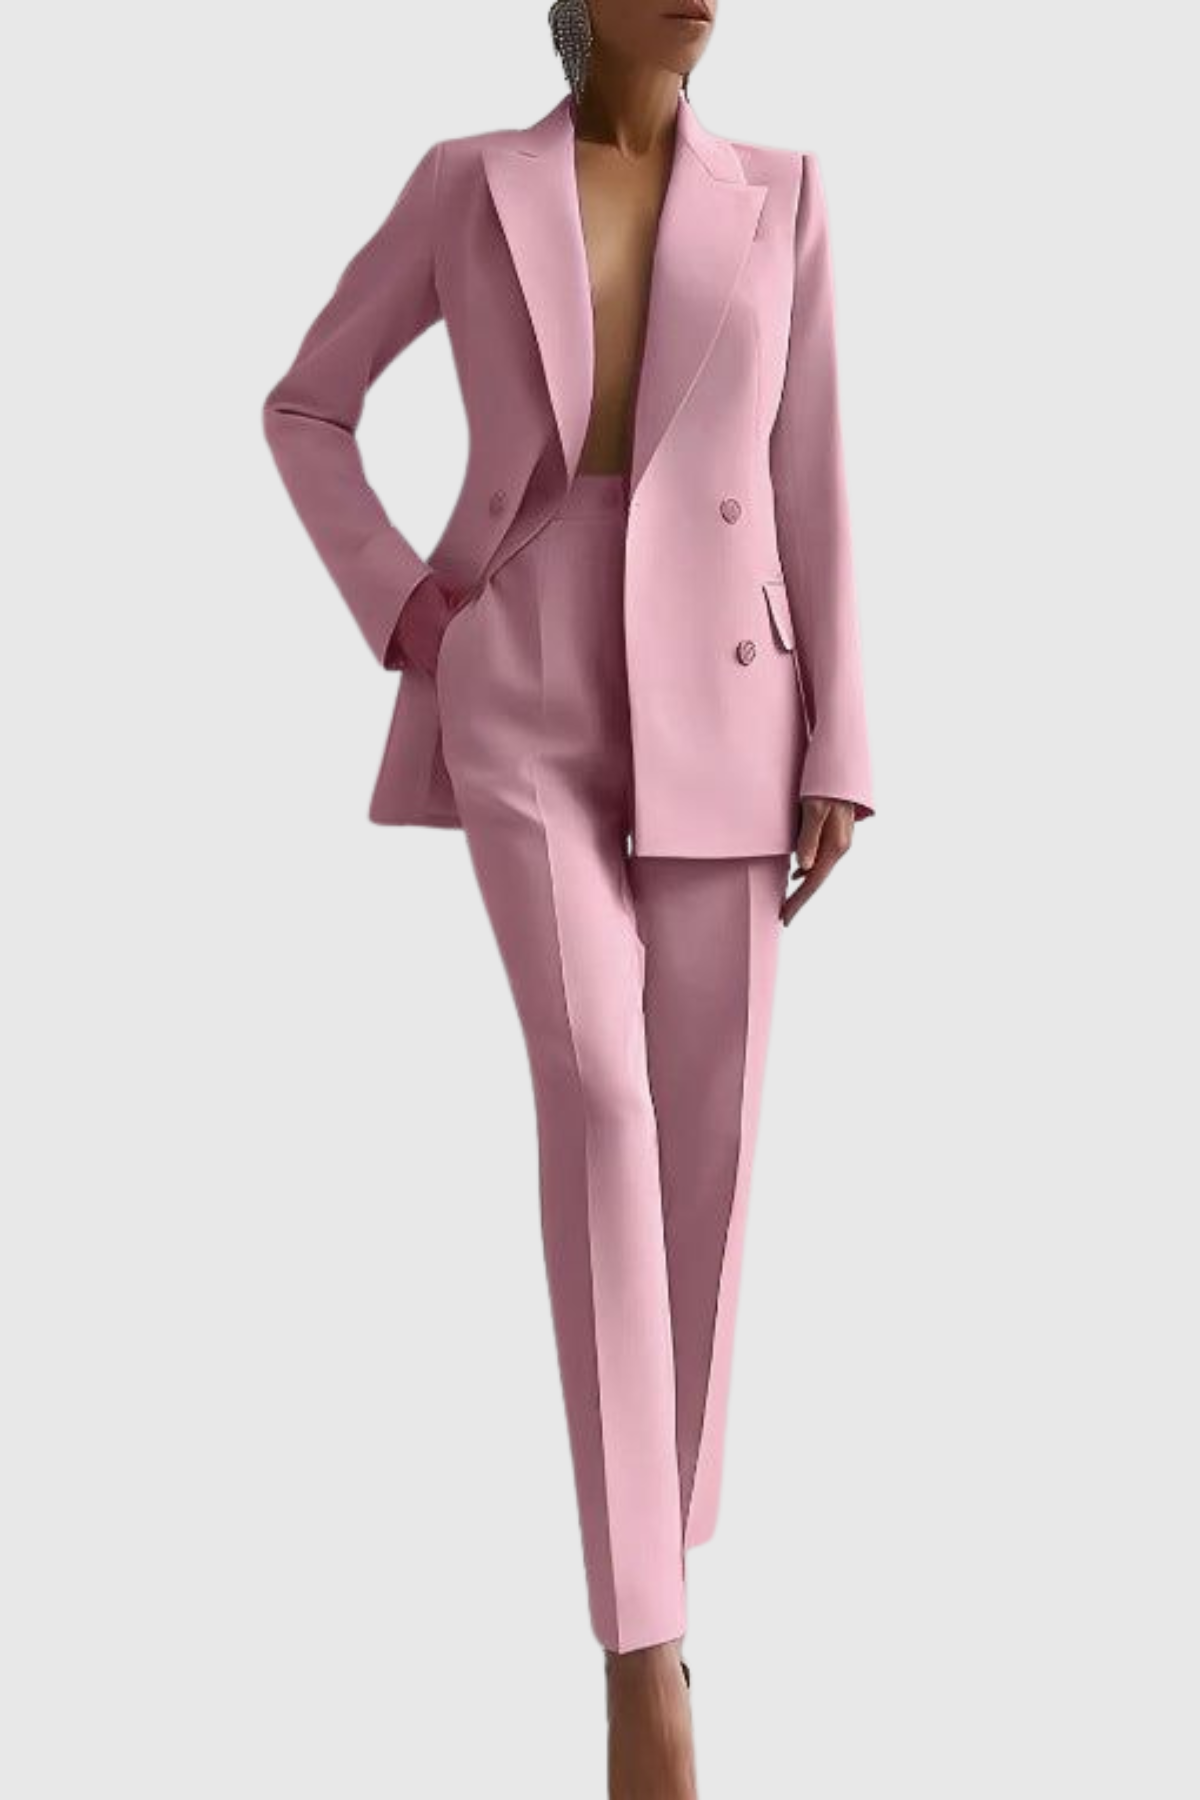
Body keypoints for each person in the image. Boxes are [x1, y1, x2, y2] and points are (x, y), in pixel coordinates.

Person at [262, 2, 873, 1793]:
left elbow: (816, 471)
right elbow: (305, 405)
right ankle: (643, 1655)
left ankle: (659, 1573)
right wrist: (410, 611)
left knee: (714, 1143)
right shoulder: (469, 184)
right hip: (520, 687)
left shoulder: (787, 192)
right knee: (600, 1096)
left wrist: (846, 737)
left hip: (735, 700)